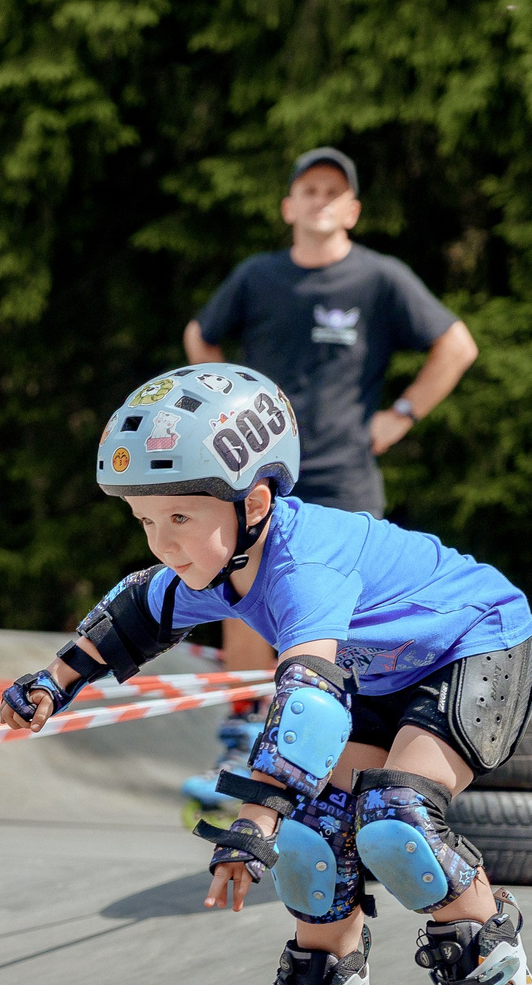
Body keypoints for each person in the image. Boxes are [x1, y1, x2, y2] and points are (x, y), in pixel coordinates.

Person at [2, 364, 532, 985]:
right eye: (144, 519)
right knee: (313, 841)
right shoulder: (224, 557)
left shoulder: (305, 566)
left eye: (178, 517)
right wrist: (52, 681)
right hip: (376, 672)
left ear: (255, 501)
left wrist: (252, 817)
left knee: (398, 819)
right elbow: (138, 607)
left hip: (476, 646)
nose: (163, 540)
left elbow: (309, 700)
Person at [185, 147, 477, 672]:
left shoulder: (379, 278)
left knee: (346, 599)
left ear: (352, 212)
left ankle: (338, 726)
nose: (320, 201)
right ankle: (243, 726)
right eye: (309, 191)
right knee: (244, 584)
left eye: (332, 193)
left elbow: (458, 345)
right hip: (260, 469)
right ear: (288, 208)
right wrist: (220, 408)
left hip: (344, 471)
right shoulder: (257, 276)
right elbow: (199, 337)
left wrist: (403, 413)